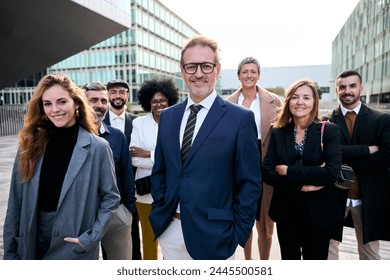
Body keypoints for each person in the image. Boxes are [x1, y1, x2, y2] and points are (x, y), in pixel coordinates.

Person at [149, 35, 262, 260]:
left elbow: (250, 182)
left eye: (206, 66)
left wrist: (238, 233)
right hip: (170, 231)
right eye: (191, 66)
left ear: (217, 69)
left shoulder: (240, 119)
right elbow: (160, 169)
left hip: (217, 236)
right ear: (182, 71)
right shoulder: (168, 117)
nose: (198, 73)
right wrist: (161, 209)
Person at [3, 74, 120, 260]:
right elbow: (15, 202)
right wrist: (10, 255)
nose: (54, 109)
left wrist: (91, 237)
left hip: (74, 243)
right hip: (31, 239)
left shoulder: (98, 147)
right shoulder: (29, 145)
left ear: (76, 103)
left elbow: (111, 197)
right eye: (47, 104)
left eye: (62, 101)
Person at [262, 78, 343, 260]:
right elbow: (266, 171)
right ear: (288, 100)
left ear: (314, 102)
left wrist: (288, 171)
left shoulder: (329, 131)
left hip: (319, 213)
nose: (300, 102)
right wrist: (300, 186)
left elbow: (331, 174)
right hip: (286, 211)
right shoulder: (278, 131)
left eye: (306, 97)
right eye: (295, 97)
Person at [327, 70, 390, 260]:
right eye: (343, 87)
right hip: (335, 195)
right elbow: (328, 155)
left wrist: (345, 160)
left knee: (370, 254)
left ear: (361, 88)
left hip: (367, 197)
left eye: (352, 86)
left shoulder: (381, 120)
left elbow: (386, 157)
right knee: (327, 249)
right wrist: (366, 150)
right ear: (337, 90)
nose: (348, 91)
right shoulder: (326, 121)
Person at [226, 56, 281, 260]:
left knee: (265, 222)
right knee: (243, 215)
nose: (249, 75)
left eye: (253, 72)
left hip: (266, 161)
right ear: (239, 75)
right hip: (238, 162)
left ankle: (263, 265)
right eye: (244, 72)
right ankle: (247, 263)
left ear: (258, 75)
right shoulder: (228, 103)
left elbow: (282, 132)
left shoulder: (274, 100)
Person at [83, 82, 136, 260]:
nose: (99, 105)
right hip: (82, 215)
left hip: (116, 214)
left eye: (103, 101)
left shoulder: (117, 136)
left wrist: (128, 209)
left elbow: (126, 173)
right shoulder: (71, 136)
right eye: (93, 100)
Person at [130, 77, 179, 260]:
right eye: (154, 101)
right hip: (145, 192)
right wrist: (163, 159)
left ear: (169, 100)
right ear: (148, 103)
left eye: (163, 100)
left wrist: (148, 154)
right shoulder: (138, 124)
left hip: (171, 191)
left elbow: (179, 159)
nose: (159, 104)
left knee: (171, 240)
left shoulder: (177, 122)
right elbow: (135, 160)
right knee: (149, 239)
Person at [103, 79, 142, 260]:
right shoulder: (98, 122)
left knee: (134, 238)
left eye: (122, 92)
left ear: (127, 95)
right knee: (109, 244)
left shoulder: (138, 122)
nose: (117, 95)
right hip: (107, 192)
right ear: (108, 95)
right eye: (113, 92)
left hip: (135, 191)